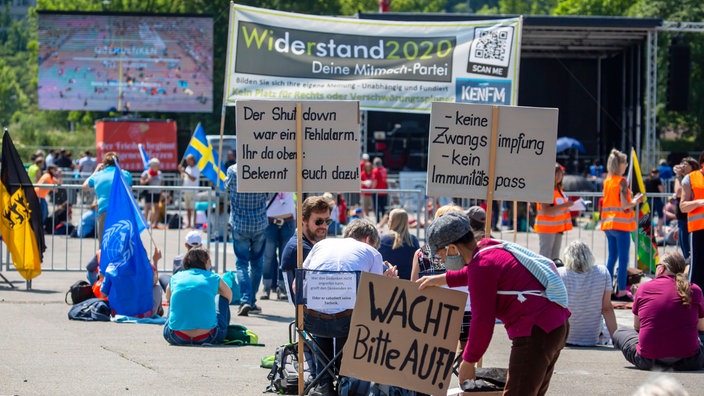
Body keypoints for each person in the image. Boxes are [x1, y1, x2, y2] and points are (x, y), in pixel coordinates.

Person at [417, 211, 571, 396]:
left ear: (453, 249)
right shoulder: (487, 248)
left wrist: (468, 361)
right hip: (552, 326)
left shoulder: (481, 267)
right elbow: (477, 274)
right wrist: (442, 279)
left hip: (536, 332)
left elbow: (483, 322)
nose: (440, 260)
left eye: (440, 254)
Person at [302, 220, 398, 396]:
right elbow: (375, 295)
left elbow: (297, 284)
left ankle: (323, 384)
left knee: (326, 309)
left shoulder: (321, 245)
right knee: (353, 314)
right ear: (368, 239)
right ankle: (345, 380)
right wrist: (387, 282)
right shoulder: (372, 252)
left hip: (310, 321)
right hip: (347, 324)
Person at [612, 252, 704, 371]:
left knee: (621, 332)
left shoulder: (644, 288)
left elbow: (638, 327)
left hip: (648, 360)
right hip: (689, 361)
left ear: (661, 268)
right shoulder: (695, 290)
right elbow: (701, 328)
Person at [163, 248, 232, 346]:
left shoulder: (176, 277)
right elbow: (229, 296)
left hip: (176, 336)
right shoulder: (213, 277)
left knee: (173, 300)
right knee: (222, 298)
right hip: (209, 336)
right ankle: (223, 329)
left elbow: (168, 297)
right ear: (206, 262)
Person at [225, 163, 268, 316]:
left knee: (241, 264)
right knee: (257, 264)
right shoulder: (263, 168)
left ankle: (246, 300)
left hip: (240, 224)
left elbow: (226, 187)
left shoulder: (233, 170)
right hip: (259, 223)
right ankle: (251, 300)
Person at [601, 149, 644, 301]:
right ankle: (621, 291)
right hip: (621, 225)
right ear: (619, 165)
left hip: (608, 224)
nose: (626, 165)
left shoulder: (607, 181)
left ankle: (606, 290)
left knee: (611, 258)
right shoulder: (622, 181)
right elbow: (626, 204)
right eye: (625, 163)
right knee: (624, 258)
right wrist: (636, 201)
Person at [558, 241, 617, 346]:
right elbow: (607, 308)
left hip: (564, 336)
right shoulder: (602, 272)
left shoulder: (560, 273)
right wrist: (617, 342)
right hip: (591, 338)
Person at [280, 196, 333, 297]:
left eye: (328, 221)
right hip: (313, 309)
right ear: (303, 220)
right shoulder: (301, 249)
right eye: (318, 221)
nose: (324, 226)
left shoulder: (306, 244)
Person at [82, 152, 133, 243]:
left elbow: (85, 186)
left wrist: (96, 171)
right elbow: (130, 190)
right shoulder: (125, 174)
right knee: (120, 244)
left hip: (104, 211)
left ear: (104, 163)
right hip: (121, 211)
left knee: (104, 246)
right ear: (117, 162)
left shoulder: (98, 175)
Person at [100, 247, 163, 318]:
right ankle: (158, 310)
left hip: (118, 312)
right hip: (142, 314)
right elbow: (154, 281)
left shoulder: (111, 267)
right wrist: (155, 260)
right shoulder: (147, 267)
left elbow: (103, 294)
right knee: (157, 288)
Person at [535, 163, 574, 259]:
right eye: (556, 173)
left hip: (557, 228)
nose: (559, 176)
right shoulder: (546, 189)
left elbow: (558, 208)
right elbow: (545, 211)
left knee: (555, 257)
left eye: (560, 174)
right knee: (545, 256)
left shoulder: (559, 189)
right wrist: (565, 205)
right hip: (547, 229)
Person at [262, 192, 295, 300]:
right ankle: (266, 287)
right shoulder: (269, 177)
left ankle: (283, 288)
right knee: (268, 257)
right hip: (269, 221)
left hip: (288, 221)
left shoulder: (291, 178)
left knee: (284, 258)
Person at [680, 150, 704, 290]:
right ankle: (694, 299)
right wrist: (699, 202)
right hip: (698, 230)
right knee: (697, 267)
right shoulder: (690, 178)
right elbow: (683, 206)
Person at [377, 208, 420, 280]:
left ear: (390, 221)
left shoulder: (382, 240)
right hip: (408, 283)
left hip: (386, 281)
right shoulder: (413, 241)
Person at [674, 157, 700, 261]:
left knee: (689, 254)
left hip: (689, 220)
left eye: (685, 165)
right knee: (685, 252)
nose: (682, 167)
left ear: (693, 167)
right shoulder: (684, 179)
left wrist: (678, 176)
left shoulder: (692, 179)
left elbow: (678, 193)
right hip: (681, 220)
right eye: (681, 164)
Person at [179, 154, 200, 229]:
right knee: (188, 208)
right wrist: (181, 172)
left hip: (193, 191)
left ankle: (194, 223)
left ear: (192, 160)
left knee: (193, 208)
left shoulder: (196, 168)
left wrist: (186, 172)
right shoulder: (187, 168)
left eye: (188, 160)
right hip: (186, 190)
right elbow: (183, 178)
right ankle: (189, 223)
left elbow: (193, 179)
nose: (187, 162)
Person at [140, 157, 163, 227]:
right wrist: (147, 180)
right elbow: (141, 182)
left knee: (156, 207)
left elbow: (161, 183)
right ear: (152, 166)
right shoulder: (146, 173)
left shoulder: (159, 173)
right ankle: (145, 221)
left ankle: (155, 223)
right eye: (156, 165)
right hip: (149, 192)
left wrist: (161, 193)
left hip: (157, 192)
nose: (158, 167)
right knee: (147, 207)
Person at [645, 168, 665, 237]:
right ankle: (659, 231)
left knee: (650, 216)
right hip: (657, 199)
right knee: (660, 215)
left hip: (648, 199)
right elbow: (661, 190)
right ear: (657, 173)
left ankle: (650, 231)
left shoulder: (647, 180)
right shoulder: (657, 180)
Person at [372, 157, 388, 223]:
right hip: (384, 191)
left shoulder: (375, 171)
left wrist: (371, 189)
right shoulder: (384, 170)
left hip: (377, 192)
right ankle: (384, 221)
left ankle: (378, 221)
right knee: (383, 208)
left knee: (376, 208)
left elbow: (375, 181)